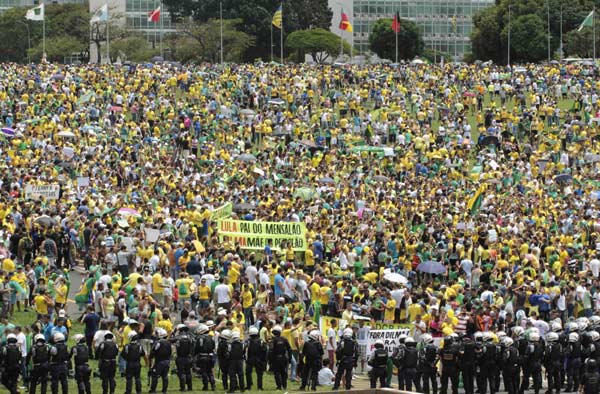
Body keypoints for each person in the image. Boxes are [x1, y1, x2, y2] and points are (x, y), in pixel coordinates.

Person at [269, 325, 292, 390]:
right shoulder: (284, 339)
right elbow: (289, 349)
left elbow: (271, 351)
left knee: (277, 373)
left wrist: (270, 360)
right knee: (283, 373)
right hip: (284, 358)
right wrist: (289, 358)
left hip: (276, 359)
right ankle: (284, 386)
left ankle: (279, 386)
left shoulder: (273, 340)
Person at [149, 328, 171, 394]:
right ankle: (164, 390)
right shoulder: (168, 342)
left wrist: (151, 358)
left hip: (159, 362)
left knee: (155, 376)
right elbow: (170, 352)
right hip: (167, 361)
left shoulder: (158, 343)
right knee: (165, 376)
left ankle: (153, 390)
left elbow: (153, 351)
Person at [245, 325, 267, 391]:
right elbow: (264, 350)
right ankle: (259, 387)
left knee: (248, 373)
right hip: (259, 359)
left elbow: (244, 349)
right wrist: (263, 360)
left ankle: (249, 387)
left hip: (250, 359)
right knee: (259, 374)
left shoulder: (248, 341)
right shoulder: (261, 341)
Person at [195, 324, 216, 391]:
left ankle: (206, 386)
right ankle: (213, 385)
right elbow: (213, 347)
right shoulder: (211, 337)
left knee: (204, 371)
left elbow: (197, 348)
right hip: (210, 356)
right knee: (210, 371)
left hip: (203, 357)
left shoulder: (200, 338)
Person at [174, 324, 194, 392]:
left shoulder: (178, 338)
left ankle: (182, 388)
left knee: (181, 373)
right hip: (188, 357)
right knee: (188, 372)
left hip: (180, 357)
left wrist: (174, 332)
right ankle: (190, 387)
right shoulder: (190, 338)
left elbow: (169, 340)